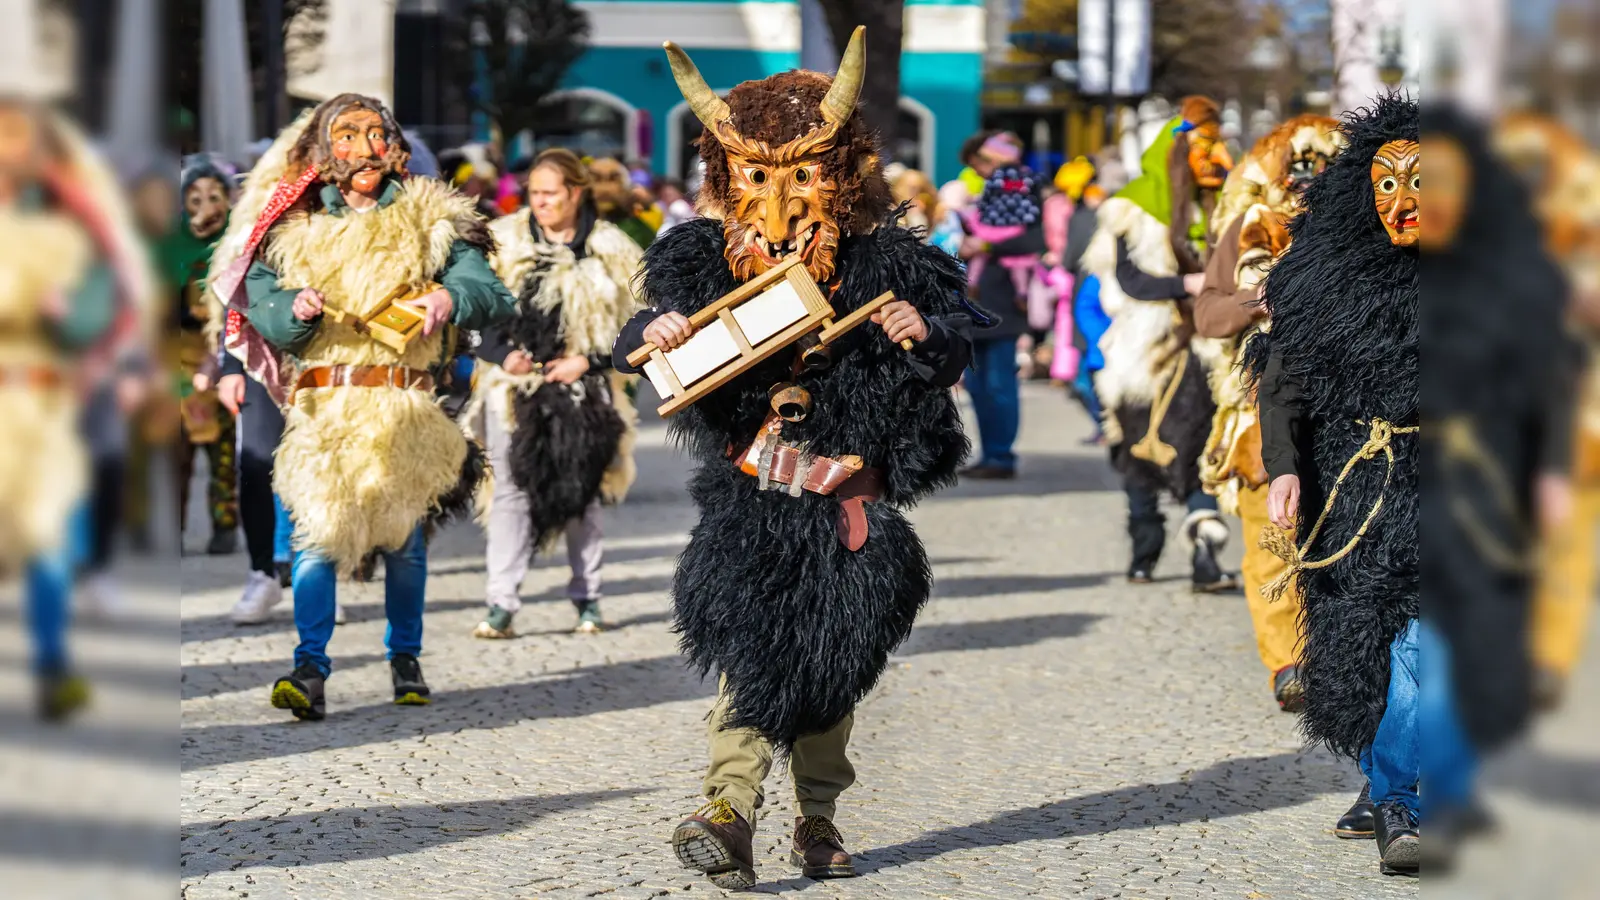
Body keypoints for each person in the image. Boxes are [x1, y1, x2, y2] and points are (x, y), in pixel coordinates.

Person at [611, 30, 977, 888]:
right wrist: (650, 334)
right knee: (748, 652)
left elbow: (959, 340)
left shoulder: (890, 263)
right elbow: (642, 339)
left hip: (848, 505)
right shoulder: (700, 261)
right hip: (752, 499)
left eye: (802, 175)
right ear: (727, 176)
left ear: (839, 172)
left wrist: (923, 334)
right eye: (757, 178)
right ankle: (728, 810)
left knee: (831, 667)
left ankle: (817, 822)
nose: (778, 209)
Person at [206, 93, 516, 721]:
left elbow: (491, 291)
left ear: (396, 146)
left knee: (404, 541)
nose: (365, 151)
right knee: (317, 539)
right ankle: (309, 666)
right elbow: (258, 307)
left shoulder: (432, 219)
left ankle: (405, 657)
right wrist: (290, 311)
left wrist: (448, 299)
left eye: (377, 136)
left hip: (406, 404)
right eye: (347, 138)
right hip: (326, 407)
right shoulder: (291, 232)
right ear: (322, 153)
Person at [1244, 94, 1422, 876]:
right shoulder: (1319, 276)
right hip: (1357, 483)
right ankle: (1390, 784)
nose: (1404, 202)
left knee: (1435, 646)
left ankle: (1402, 799)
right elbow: (1282, 383)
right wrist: (1284, 468)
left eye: (1423, 181)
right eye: (1386, 183)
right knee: (1365, 641)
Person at [1413, 104, 1574, 869]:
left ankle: (1453, 788)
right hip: (1418, 477)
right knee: (1436, 647)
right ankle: (1431, 799)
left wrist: (1552, 472)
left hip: (1501, 477)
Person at [0, 97, 153, 719]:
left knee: (49, 538)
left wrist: (71, 317)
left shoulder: (71, 226)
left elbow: (102, 306)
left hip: (39, 401)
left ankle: (52, 663)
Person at [1195, 115, 1342, 712]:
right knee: (1271, 542)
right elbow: (1207, 314)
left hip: (1345, 414)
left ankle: (1341, 659)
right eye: (1298, 172)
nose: (1308, 183)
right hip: (1258, 414)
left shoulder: (1364, 236)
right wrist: (1265, 297)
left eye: (1322, 170)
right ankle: (1288, 665)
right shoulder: (1249, 229)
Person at [467, 148, 642, 638]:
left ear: (575, 192)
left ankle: (588, 597)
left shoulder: (611, 249)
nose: (540, 203)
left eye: (550, 193)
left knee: (583, 495)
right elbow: (477, 310)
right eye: (534, 194)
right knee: (508, 493)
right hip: (512, 390)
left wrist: (589, 359)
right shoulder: (503, 242)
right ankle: (501, 602)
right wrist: (504, 355)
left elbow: (637, 325)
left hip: (585, 391)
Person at [1080, 96, 1239, 589]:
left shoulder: (1225, 207)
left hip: (1208, 344)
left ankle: (1205, 553)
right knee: (1138, 450)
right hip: (1145, 345)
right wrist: (1183, 286)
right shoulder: (1129, 210)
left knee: (1202, 447)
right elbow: (1130, 279)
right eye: (1200, 145)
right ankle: (1143, 550)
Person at [162, 155, 240, 556]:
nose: (205, 207)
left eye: (213, 196)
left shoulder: (237, 243)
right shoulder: (170, 243)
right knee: (176, 453)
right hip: (175, 364)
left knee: (223, 456)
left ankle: (225, 527)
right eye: (195, 198)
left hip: (223, 359)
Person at [958, 132, 1043, 480]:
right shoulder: (988, 195)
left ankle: (1001, 455)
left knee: (998, 383)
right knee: (978, 385)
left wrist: (986, 247)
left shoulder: (1023, 189)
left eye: (980, 163)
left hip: (1006, 304)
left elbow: (1035, 239)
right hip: (975, 303)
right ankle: (991, 452)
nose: (979, 172)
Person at [588, 156, 657, 250]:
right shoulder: (575, 228)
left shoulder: (639, 232)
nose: (605, 189)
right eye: (596, 179)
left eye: (613, 179)